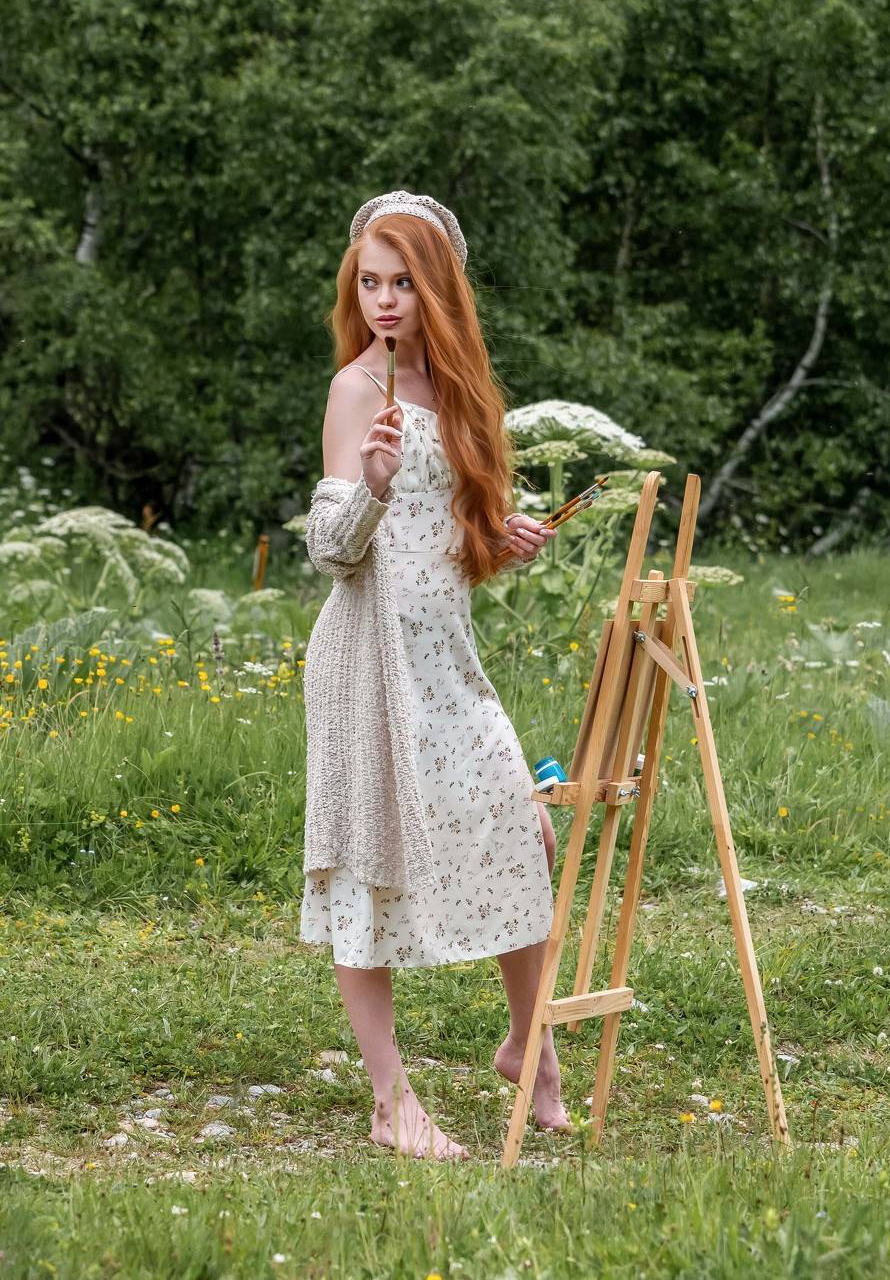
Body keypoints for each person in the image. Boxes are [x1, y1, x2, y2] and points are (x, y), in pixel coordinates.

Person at [299, 190, 570, 1160]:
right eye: (369, 282)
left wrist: (500, 536)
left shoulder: (456, 396)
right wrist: (368, 489)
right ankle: (391, 1103)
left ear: (437, 289)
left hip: (444, 657)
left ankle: (527, 1048)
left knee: (519, 826)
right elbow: (331, 552)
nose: (382, 301)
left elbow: (449, 544)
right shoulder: (354, 392)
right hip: (364, 661)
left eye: (402, 283)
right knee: (366, 865)